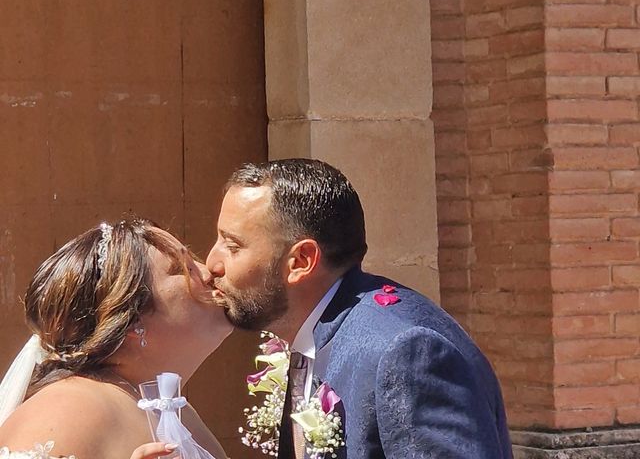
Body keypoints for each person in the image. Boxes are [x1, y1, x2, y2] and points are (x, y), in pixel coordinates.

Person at [207, 159, 513, 458]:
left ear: (301, 262)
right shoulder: (313, 333)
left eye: (233, 246)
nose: (212, 263)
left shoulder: (406, 353)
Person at [0, 218, 233, 459]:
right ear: (130, 318)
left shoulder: (169, 410)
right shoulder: (70, 407)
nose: (208, 272)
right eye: (180, 269)